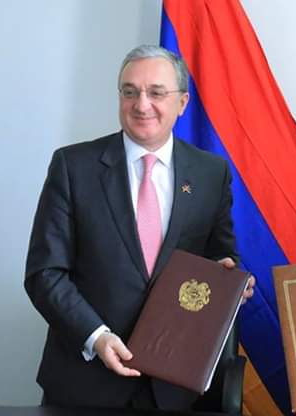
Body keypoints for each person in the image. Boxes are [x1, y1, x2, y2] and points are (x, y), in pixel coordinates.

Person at [25, 45, 254, 410]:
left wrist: (230, 279)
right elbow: (45, 273)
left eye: (156, 93)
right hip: (85, 381)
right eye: (129, 92)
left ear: (182, 102)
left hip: (174, 384)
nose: (141, 104)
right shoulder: (73, 166)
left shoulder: (211, 173)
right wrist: (96, 337)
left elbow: (221, 255)